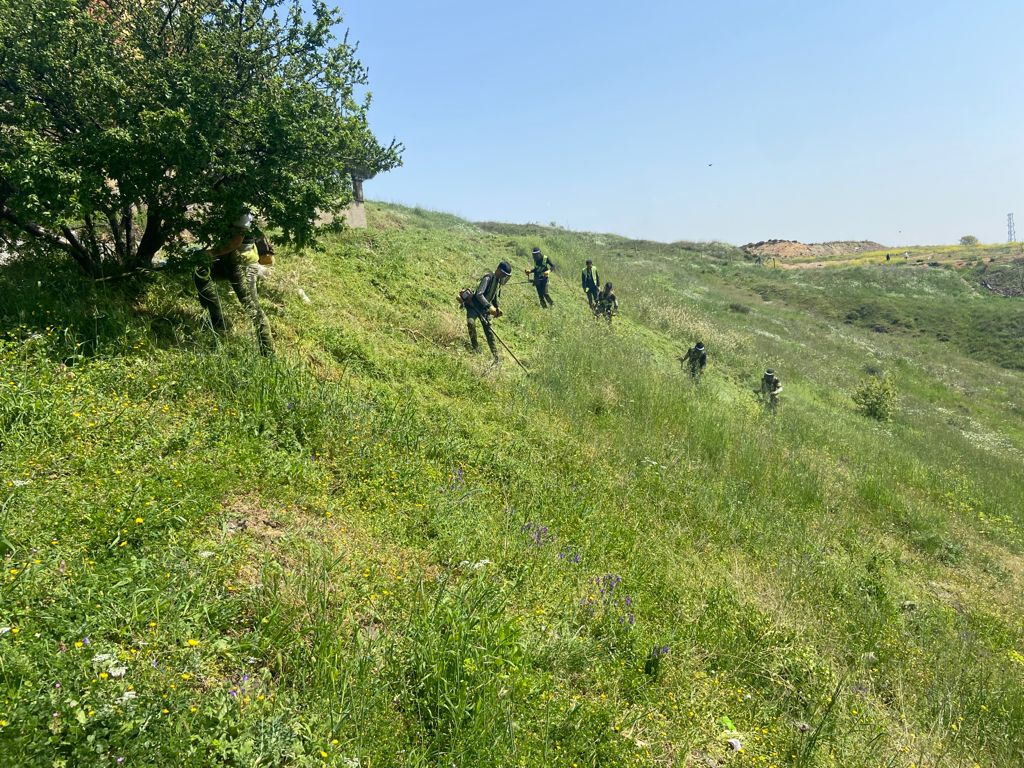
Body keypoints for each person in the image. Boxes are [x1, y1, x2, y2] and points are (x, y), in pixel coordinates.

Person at [193, 209, 274, 356]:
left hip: (243, 265)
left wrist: (210, 253)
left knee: (252, 307)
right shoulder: (229, 204)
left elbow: (234, 243)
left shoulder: (241, 211)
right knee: (200, 273)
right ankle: (217, 322)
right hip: (228, 260)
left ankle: (268, 352)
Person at [465, 261, 514, 362]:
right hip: (474, 306)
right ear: (499, 270)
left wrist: (496, 307)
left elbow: (493, 296)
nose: (504, 276)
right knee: (471, 323)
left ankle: (496, 356)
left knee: (489, 332)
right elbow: (479, 294)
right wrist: (489, 306)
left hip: (484, 309)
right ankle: (475, 347)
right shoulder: (488, 278)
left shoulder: (497, 281)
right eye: (504, 274)